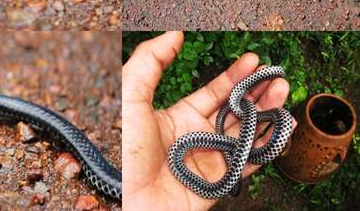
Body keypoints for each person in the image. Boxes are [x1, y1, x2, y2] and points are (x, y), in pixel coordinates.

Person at [122, 32, 296, 210]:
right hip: (192, 156)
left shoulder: (244, 114)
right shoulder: (244, 117)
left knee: (254, 138)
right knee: (253, 140)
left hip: (243, 121)